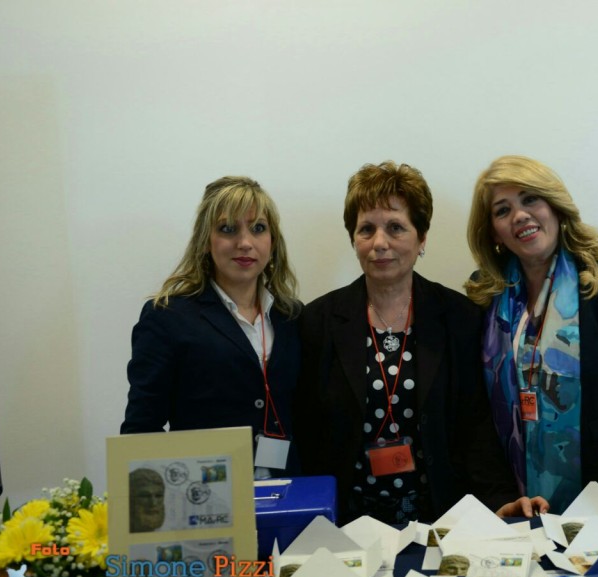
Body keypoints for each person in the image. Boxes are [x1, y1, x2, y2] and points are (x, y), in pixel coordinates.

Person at [296, 161, 539, 525]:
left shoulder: (459, 317)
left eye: (396, 227)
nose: (380, 243)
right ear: (353, 239)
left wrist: (499, 499)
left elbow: (475, 424)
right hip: (345, 522)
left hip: (441, 519)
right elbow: (307, 431)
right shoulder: (318, 321)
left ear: (422, 238)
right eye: (366, 229)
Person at [465, 155, 598, 513]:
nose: (520, 215)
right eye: (503, 210)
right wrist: (498, 496)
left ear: (554, 205)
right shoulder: (483, 294)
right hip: (512, 498)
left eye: (530, 199)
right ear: (493, 232)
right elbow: (475, 412)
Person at [122, 176, 301, 478]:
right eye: (227, 229)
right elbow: (142, 428)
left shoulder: (292, 316)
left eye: (258, 228)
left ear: (272, 241)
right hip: (208, 493)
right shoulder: (167, 317)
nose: (245, 243)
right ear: (206, 241)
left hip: (290, 489)